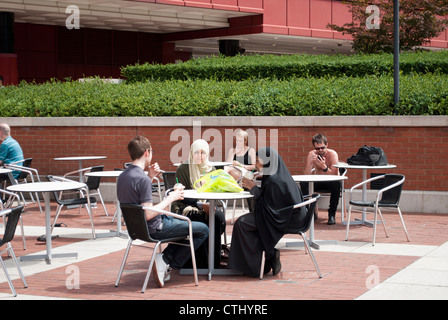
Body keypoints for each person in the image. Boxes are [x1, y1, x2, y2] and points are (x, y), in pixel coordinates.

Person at [117, 135, 209, 288]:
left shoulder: (123, 176)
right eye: (151, 151)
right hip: (155, 228)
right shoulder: (143, 180)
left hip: (135, 230)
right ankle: (165, 260)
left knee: (184, 225)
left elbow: (137, 201)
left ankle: (164, 260)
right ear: (147, 152)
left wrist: (150, 177)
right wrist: (171, 198)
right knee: (202, 229)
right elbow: (148, 214)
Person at [228, 147, 307, 278]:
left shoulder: (275, 181)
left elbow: (268, 207)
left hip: (287, 219)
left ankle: (257, 265)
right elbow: (271, 203)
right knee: (248, 223)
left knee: (242, 224)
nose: (256, 164)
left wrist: (253, 188)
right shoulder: (276, 174)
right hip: (288, 215)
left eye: (258, 161)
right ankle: (264, 259)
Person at [171, 139, 227, 268]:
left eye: (203, 153)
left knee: (218, 218)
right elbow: (182, 196)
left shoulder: (211, 169)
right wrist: (201, 205)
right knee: (198, 218)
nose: (200, 156)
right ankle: (199, 263)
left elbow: (214, 191)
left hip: (208, 205)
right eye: (196, 152)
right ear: (191, 153)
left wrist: (209, 204)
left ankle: (214, 261)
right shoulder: (183, 169)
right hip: (186, 205)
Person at [300, 133, 340, 225]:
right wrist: (310, 163)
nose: (320, 150)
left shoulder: (332, 154)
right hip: (318, 180)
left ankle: (331, 214)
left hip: (330, 181)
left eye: (322, 148)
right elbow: (306, 175)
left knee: (337, 184)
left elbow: (335, 176)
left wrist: (324, 167)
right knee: (304, 183)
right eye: (317, 148)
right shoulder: (312, 154)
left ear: (327, 145)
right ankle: (310, 212)